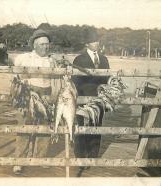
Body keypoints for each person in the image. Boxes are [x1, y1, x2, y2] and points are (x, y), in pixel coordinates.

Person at [12, 29, 61, 175]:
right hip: (28, 93)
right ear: (35, 45)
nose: (46, 47)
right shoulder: (24, 58)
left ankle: (41, 157)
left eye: (47, 44)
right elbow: (16, 74)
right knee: (24, 128)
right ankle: (19, 162)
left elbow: (56, 80)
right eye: (42, 44)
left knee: (44, 127)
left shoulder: (52, 60)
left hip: (46, 94)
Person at [72, 29, 110, 171]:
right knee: (81, 127)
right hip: (83, 99)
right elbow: (74, 81)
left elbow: (107, 79)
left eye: (98, 41)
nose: (97, 43)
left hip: (99, 99)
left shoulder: (104, 59)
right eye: (94, 41)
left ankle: (93, 156)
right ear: (87, 44)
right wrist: (78, 99)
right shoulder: (79, 59)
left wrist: (105, 96)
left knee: (96, 127)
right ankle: (81, 157)